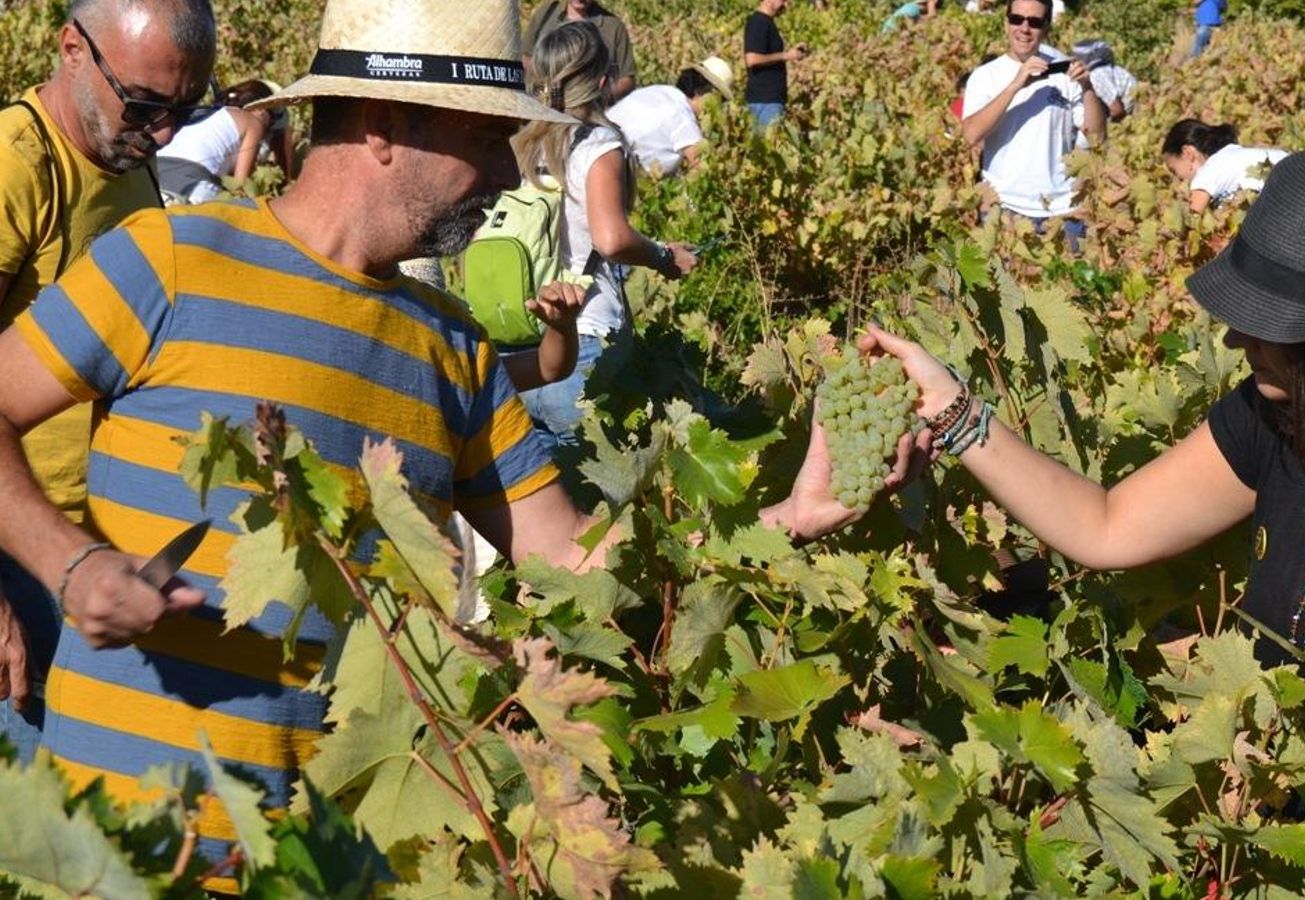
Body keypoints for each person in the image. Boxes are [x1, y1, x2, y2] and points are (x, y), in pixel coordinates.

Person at [0, 0, 754, 885]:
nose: (505, 174)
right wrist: (68, 563)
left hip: (323, 868)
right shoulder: (165, 260)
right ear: (385, 126)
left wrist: (782, 525)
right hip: (114, 862)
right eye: (486, 140)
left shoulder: (455, 347)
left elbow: (571, 556)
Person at [854, 149, 1305, 898]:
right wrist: (952, 409)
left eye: (1262, 322)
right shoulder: (1281, 420)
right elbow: (1106, 526)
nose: (1235, 340)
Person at [0, 0, 216, 765]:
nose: (165, 134)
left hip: (91, 557)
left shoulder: (132, 162)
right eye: (145, 105)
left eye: (186, 110)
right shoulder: (18, 165)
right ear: (72, 49)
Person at [517, 21, 698, 451]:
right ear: (602, 81)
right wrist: (662, 256)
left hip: (521, 352)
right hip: (581, 343)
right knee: (601, 486)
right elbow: (611, 239)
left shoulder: (522, 142)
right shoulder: (596, 143)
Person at [960, 0, 1106, 241]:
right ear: (1006, 23)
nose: (1024, 28)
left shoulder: (1064, 71)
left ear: (1047, 27)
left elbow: (1097, 138)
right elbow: (971, 135)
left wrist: (1087, 88)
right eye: (1017, 19)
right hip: (1005, 209)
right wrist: (1015, 85)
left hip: (1063, 211)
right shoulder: (985, 76)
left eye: (1035, 22)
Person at [155, 78, 286, 203]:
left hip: (157, 172)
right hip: (195, 183)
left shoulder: (211, 112)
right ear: (262, 110)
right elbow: (240, 185)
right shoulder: (254, 123)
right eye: (272, 120)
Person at [607, 56, 734, 178]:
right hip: (613, 172)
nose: (719, 108)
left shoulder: (659, 90)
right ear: (702, 92)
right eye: (719, 101)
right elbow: (703, 169)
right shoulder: (683, 118)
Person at [1162, 118, 1287, 212]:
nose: (1176, 179)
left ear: (1187, 153)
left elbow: (1192, 220)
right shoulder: (1234, 154)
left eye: (1173, 170)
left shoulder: (1207, 173)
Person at [522, 0, 636, 100]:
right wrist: (546, 83)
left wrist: (600, 97)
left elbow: (627, 80)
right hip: (543, 105)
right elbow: (525, 57)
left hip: (590, 111)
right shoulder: (546, 14)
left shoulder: (613, 27)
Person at [745, 0, 807, 129]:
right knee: (769, 140)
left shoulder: (767, 22)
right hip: (765, 101)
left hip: (770, 100)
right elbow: (752, 59)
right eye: (783, 0)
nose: (786, 4)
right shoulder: (759, 22)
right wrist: (786, 55)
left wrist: (792, 53)